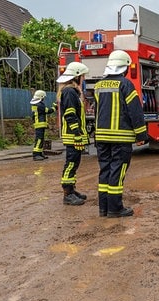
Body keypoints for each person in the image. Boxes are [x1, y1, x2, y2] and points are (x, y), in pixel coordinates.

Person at [94, 50, 148, 218]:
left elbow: (97, 111)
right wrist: (141, 135)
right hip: (121, 138)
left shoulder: (98, 85)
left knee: (104, 171)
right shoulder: (125, 84)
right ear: (124, 68)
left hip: (101, 137)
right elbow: (135, 111)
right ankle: (115, 209)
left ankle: (103, 208)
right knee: (117, 171)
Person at [56, 61, 90, 206]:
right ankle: (67, 194)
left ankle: (72, 189)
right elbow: (70, 115)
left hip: (73, 135)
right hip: (72, 135)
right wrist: (76, 133)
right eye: (82, 76)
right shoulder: (70, 92)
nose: (83, 79)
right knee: (70, 163)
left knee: (74, 163)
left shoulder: (70, 91)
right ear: (76, 77)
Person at [30, 90, 56, 161]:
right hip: (40, 124)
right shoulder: (40, 105)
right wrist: (55, 107)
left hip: (38, 124)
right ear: (41, 97)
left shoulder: (35, 104)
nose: (44, 98)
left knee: (41, 139)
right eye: (43, 97)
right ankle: (36, 154)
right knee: (39, 139)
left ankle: (40, 153)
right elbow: (48, 111)